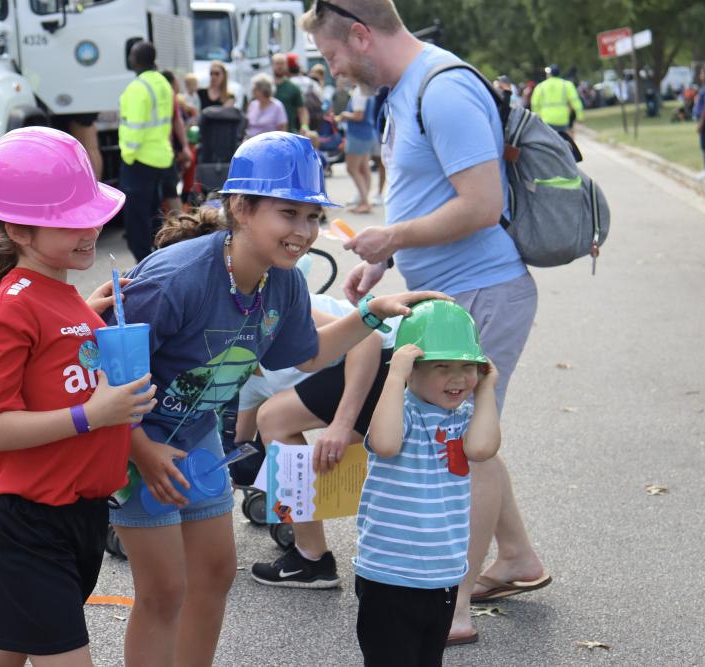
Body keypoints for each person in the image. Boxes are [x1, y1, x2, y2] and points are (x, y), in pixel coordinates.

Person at [108, 131, 447, 666]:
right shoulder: (175, 280)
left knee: (215, 575)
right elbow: (103, 375)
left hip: (197, 445)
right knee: (163, 590)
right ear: (241, 208)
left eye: (313, 217)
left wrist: (373, 313)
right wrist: (139, 452)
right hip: (134, 450)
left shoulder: (281, 281)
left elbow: (308, 354)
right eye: (289, 213)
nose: (305, 232)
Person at [303, 0, 549, 646]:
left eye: (333, 57)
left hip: (484, 290)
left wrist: (391, 236)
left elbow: (481, 203)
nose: (334, 73)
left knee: (462, 444)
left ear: (360, 35)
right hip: (453, 292)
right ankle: (518, 556)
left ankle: (456, 601)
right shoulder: (405, 91)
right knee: (467, 435)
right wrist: (385, 258)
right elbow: (431, 198)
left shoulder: (442, 90)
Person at [0, 127, 158, 667]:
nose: (90, 229)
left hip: (81, 514)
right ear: (18, 229)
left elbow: (58, 355)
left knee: (7, 643)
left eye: (90, 214)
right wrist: (90, 416)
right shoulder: (11, 309)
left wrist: (87, 316)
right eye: (70, 220)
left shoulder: (63, 294)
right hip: (29, 521)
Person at [357, 301, 500, 666]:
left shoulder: (465, 415)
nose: (458, 378)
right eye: (441, 367)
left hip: (443, 572)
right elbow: (386, 444)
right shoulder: (400, 409)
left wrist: (486, 391)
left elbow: (483, 449)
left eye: (467, 367)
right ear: (411, 370)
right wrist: (393, 378)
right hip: (390, 573)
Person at [246, 291, 400, 589]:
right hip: (382, 360)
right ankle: (517, 555)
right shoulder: (242, 365)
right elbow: (239, 440)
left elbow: (368, 339)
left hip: (389, 353)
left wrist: (341, 425)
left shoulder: (268, 300)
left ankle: (311, 558)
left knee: (273, 419)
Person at [119, 41, 175, 262]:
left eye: (132, 55)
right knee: (153, 215)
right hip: (160, 157)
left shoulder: (137, 87)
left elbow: (135, 127)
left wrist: (128, 155)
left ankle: (142, 265)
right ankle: (157, 260)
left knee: (136, 220)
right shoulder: (162, 82)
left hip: (139, 159)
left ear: (136, 59)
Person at [338, 85, 378, 214]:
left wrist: (344, 114)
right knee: (364, 168)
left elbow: (358, 115)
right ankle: (364, 200)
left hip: (358, 135)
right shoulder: (367, 90)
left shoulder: (359, 92)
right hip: (367, 133)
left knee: (352, 168)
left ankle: (364, 202)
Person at [160, 69, 195, 214]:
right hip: (168, 152)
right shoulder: (170, 97)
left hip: (162, 152)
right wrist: (183, 149)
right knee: (172, 192)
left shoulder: (165, 98)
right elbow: (176, 124)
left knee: (168, 191)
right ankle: (181, 228)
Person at [530, 64, 584, 136]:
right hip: (562, 120)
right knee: (563, 141)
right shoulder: (567, 85)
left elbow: (534, 104)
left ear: (549, 74)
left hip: (546, 120)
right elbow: (575, 101)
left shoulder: (540, 86)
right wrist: (580, 116)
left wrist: (537, 118)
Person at [272, 53, 309, 134]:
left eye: (282, 63)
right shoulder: (266, 86)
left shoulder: (293, 88)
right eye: (277, 63)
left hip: (288, 133)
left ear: (286, 66)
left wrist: (304, 126)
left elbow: (302, 110)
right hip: (267, 133)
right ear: (272, 65)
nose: (280, 66)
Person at [244, 73, 288, 139]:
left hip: (269, 142)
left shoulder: (277, 106)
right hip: (251, 141)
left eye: (255, 89)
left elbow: (282, 129)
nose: (252, 91)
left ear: (264, 90)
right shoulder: (252, 104)